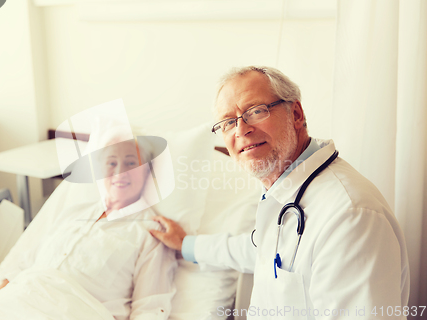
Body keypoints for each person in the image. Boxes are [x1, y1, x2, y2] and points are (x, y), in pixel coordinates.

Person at [150, 66, 409, 319]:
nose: (241, 130)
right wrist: (186, 245)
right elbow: (258, 250)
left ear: (296, 114)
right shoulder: (285, 193)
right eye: (228, 122)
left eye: (256, 111)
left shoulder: (350, 217)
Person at [0, 135, 176, 320]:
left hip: (72, 311)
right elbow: (23, 265)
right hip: (18, 299)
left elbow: (151, 307)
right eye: (111, 163)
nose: (120, 171)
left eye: (131, 163)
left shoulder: (150, 231)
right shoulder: (74, 212)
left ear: (148, 173)